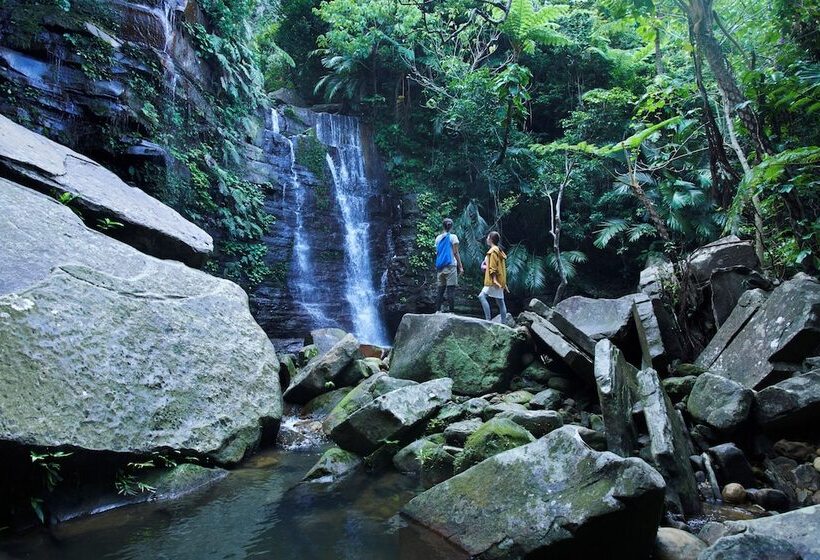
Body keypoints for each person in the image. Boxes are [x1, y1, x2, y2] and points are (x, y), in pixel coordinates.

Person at [478, 231, 508, 322]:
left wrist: (494, 279)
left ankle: (488, 320)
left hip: (493, 280)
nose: (486, 239)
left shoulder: (493, 251)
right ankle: (504, 323)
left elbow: (493, 267)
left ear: (491, 239)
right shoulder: (498, 250)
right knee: (500, 302)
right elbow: (497, 266)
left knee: (482, 296)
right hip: (498, 279)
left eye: (488, 237)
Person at [434, 218, 463, 313]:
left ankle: (437, 311)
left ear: (443, 226)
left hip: (440, 267)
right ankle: (451, 312)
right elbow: (455, 252)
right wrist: (460, 266)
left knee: (440, 290)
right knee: (450, 290)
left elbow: (437, 253)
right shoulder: (453, 237)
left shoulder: (438, 238)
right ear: (451, 226)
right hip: (451, 266)